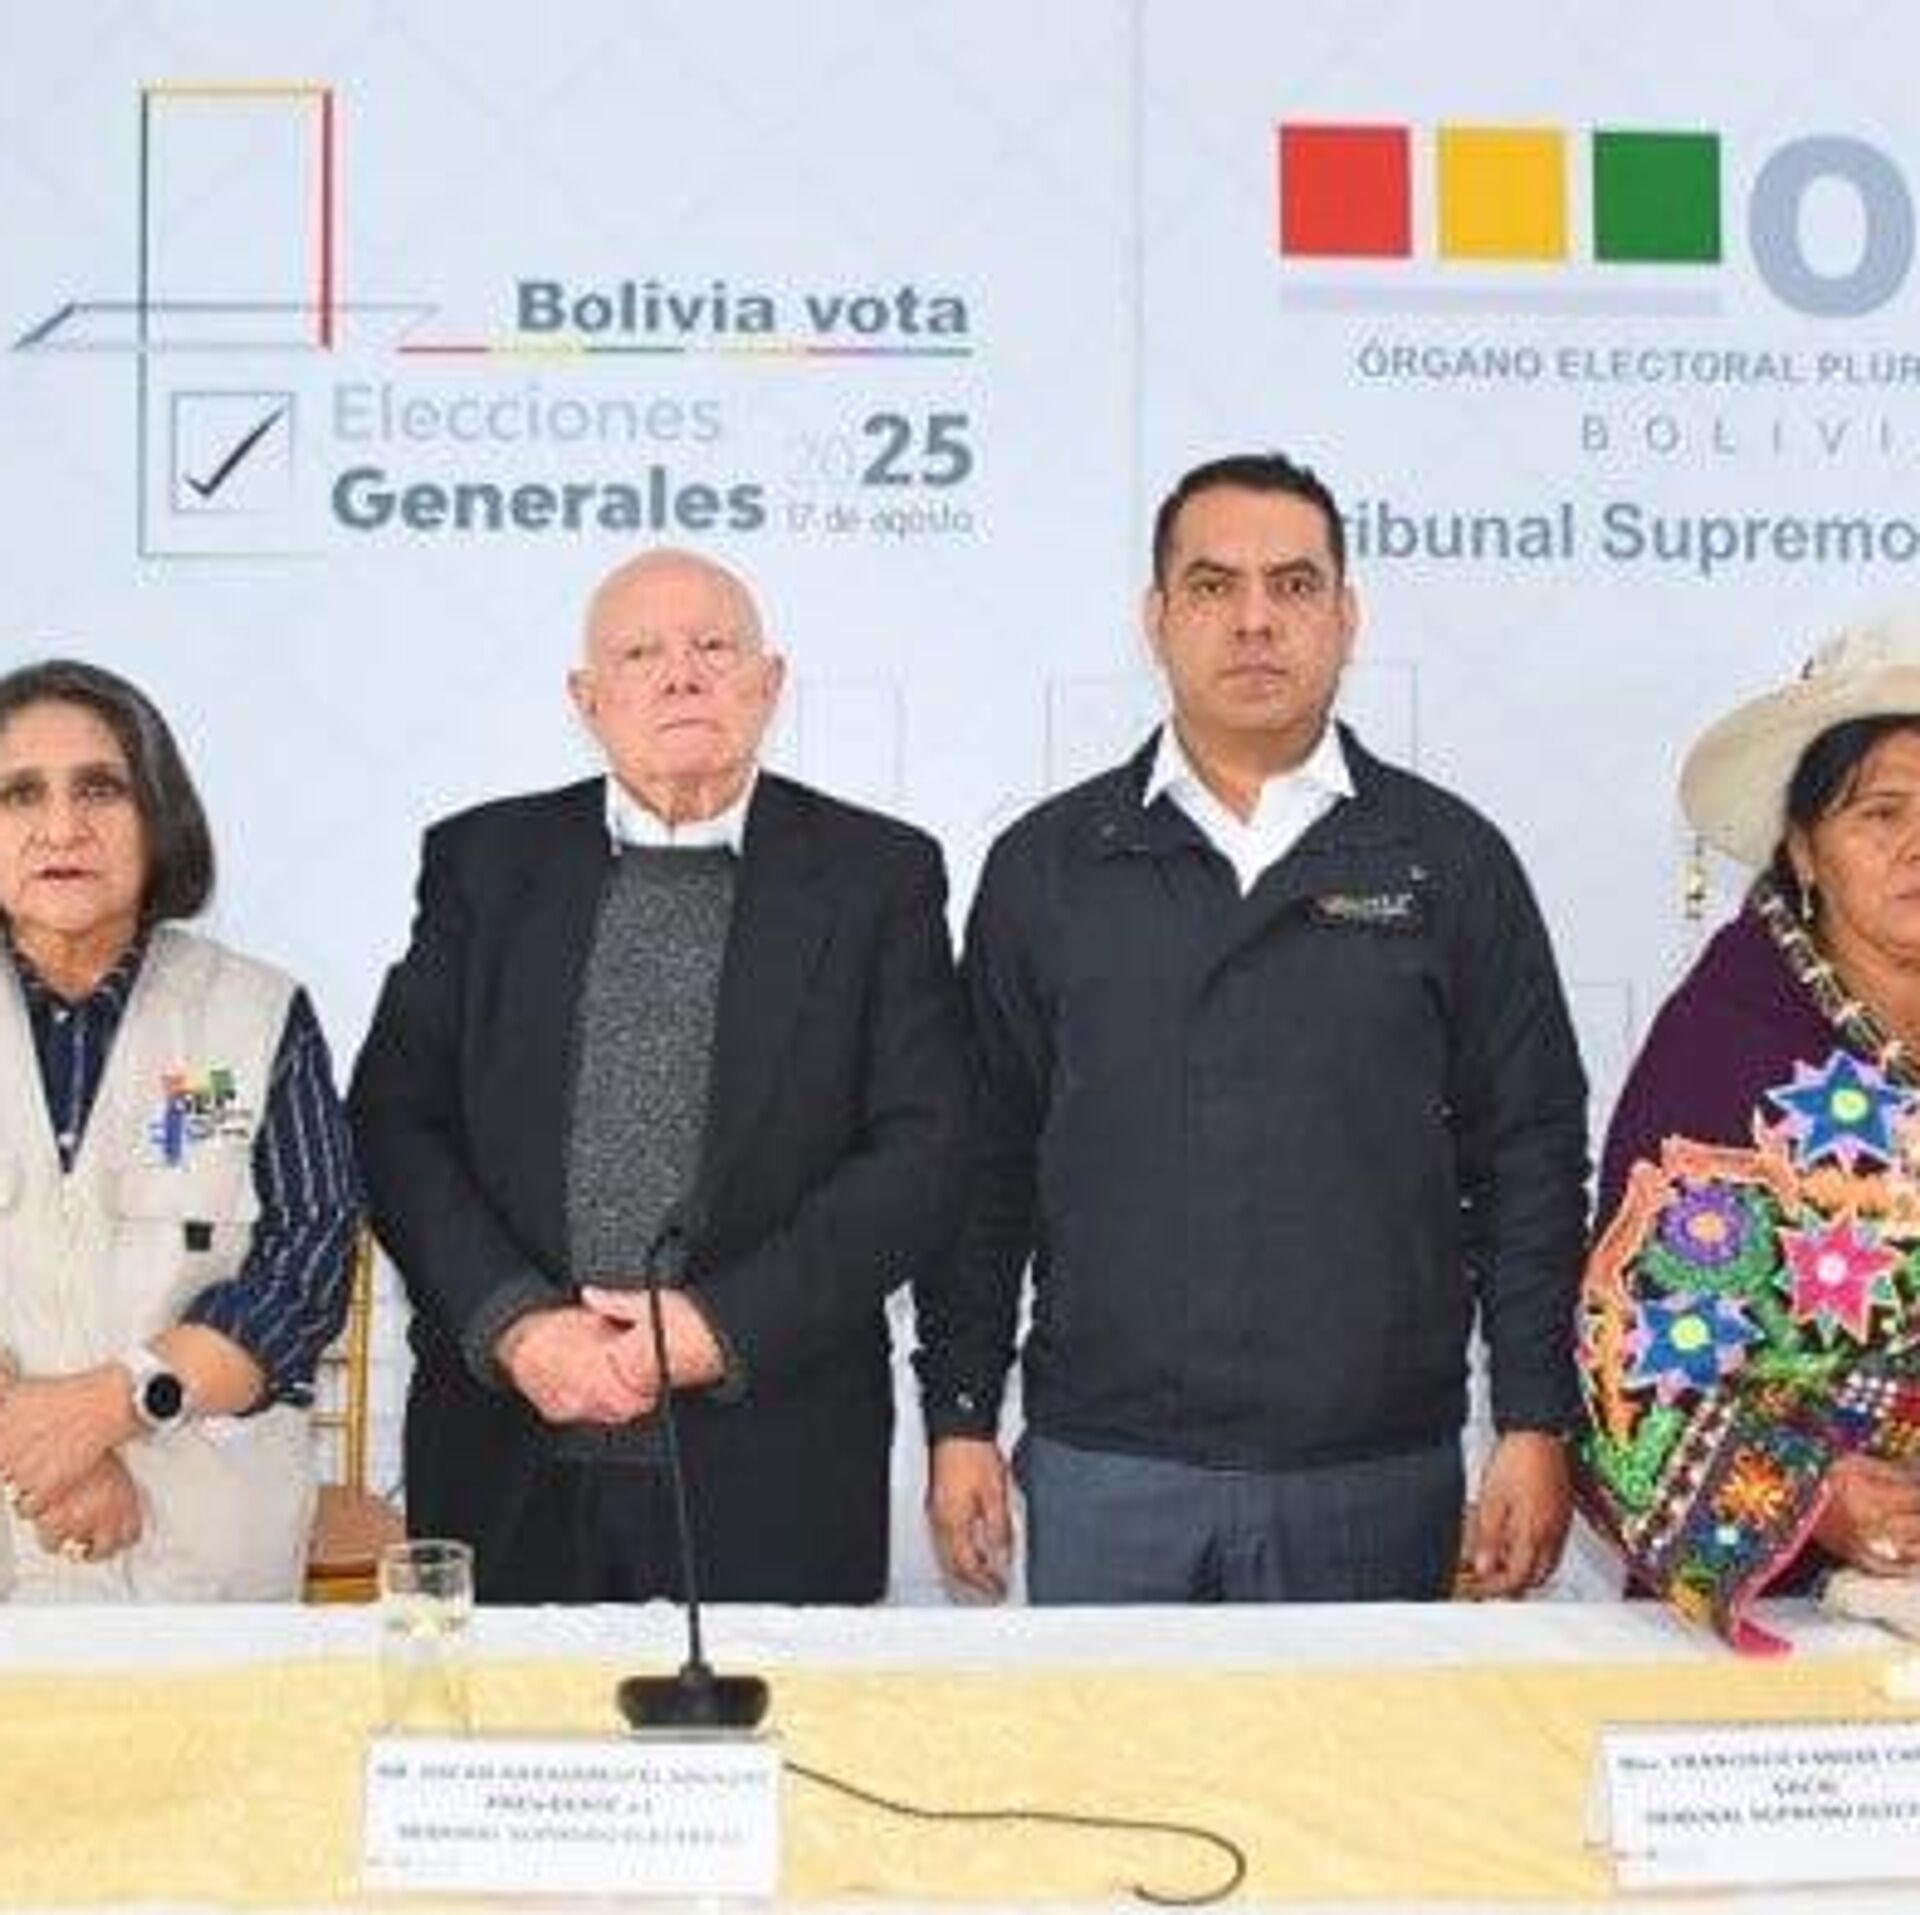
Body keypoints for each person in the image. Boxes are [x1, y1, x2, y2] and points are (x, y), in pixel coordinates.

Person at [915, 451, 1589, 1605]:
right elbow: (982, 1168)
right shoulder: (1050, 867)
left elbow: (1529, 1156)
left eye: (1294, 584)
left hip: (1375, 1473)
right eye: (1214, 585)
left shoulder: (1449, 860)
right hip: (1109, 1469)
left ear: (1345, 616)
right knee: (1109, 1740)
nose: (1256, 620)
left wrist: (1535, 1415)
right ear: (1157, 619)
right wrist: (962, 1414)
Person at [350, 549, 971, 1604]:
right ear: (586, 698)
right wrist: (514, 1324)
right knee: (512, 1716)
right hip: (509, 1447)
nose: (681, 674)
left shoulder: (877, 875)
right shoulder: (484, 863)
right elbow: (396, 1119)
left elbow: (923, 1151)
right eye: (640, 653)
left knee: (771, 1717)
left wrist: (721, 1325)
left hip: (775, 1460)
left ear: (769, 683)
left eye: (713, 647)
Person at [1579, 617, 1920, 1653]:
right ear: (1803, 847)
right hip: (1792, 1608)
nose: (1917, 845)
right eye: (1881, 812)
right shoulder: (1727, 1051)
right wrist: (1813, 1495)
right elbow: (1636, 1363)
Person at [0, 659, 358, 1599]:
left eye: (100, 789)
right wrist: (43, 1448)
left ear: (158, 818)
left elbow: (306, 1265)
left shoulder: (254, 1012)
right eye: (20, 793)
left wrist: (109, 1405)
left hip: (202, 1552)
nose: (61, 827)